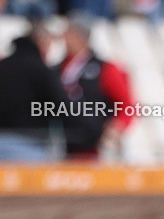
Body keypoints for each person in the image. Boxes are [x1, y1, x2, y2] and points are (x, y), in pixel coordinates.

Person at [59, 11, 134, 157]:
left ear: (80, 36)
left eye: (68, 33)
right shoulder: (57, 68)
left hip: (92, 148)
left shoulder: (106, 68)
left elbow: (127, 105)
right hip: (58, 144)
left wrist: (116, 127)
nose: (64, 38)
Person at [0, 15, 70, 161]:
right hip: (30, 145)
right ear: (41, 41)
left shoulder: (3, 66)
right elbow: (61, 106)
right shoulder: (41, 71)